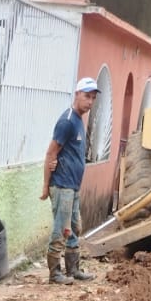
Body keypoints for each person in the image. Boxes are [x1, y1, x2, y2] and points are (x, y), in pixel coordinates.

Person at [41, 77, 100, 286]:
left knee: (75, 228)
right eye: (87, 96)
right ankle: (55, 273)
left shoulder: (78, 120)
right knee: (62, 228)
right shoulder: (67, 121)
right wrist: (45, 186)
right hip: (62, 185)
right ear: (77, 94)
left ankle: (73, 269)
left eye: (93, 98)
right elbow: (51, 154)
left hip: (73, 186)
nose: (90, 102)